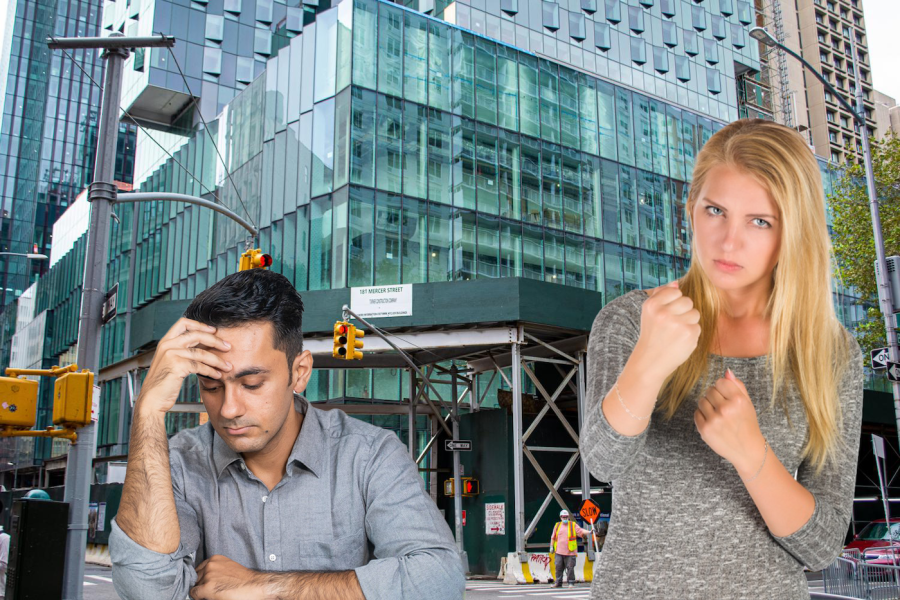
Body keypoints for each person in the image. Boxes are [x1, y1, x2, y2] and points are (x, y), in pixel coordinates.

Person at [580, 119, 864, 599]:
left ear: (791, 234)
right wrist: (649, 361)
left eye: (760, 221)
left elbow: (821, 548)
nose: (729, 241)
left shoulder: (830, 354)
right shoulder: (631, 319)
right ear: (691, 209)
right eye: (716, 210)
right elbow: (603, 461)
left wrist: (751, 453)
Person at [110, 269, 465, 600]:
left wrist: (266, 587)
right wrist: (148, 411)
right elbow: (146, 589)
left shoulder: (370, 455)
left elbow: (438, 578)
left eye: (251, 384)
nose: (229, 409)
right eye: (211, 385)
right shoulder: (177, 464)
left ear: (299, 373)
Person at [550, 510, 590, 588]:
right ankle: (558, 583)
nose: (565, 518)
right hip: (559, 551)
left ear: (568, 517)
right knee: (558, 567)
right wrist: (551, 546)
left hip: (570, 552)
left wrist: (589, 532)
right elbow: (553, 537)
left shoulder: (573, 525)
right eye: (563, 517)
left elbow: (581, 531)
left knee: (570, 567)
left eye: (566, 517)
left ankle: (571, 583)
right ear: (560, 517)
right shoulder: (557, 525)